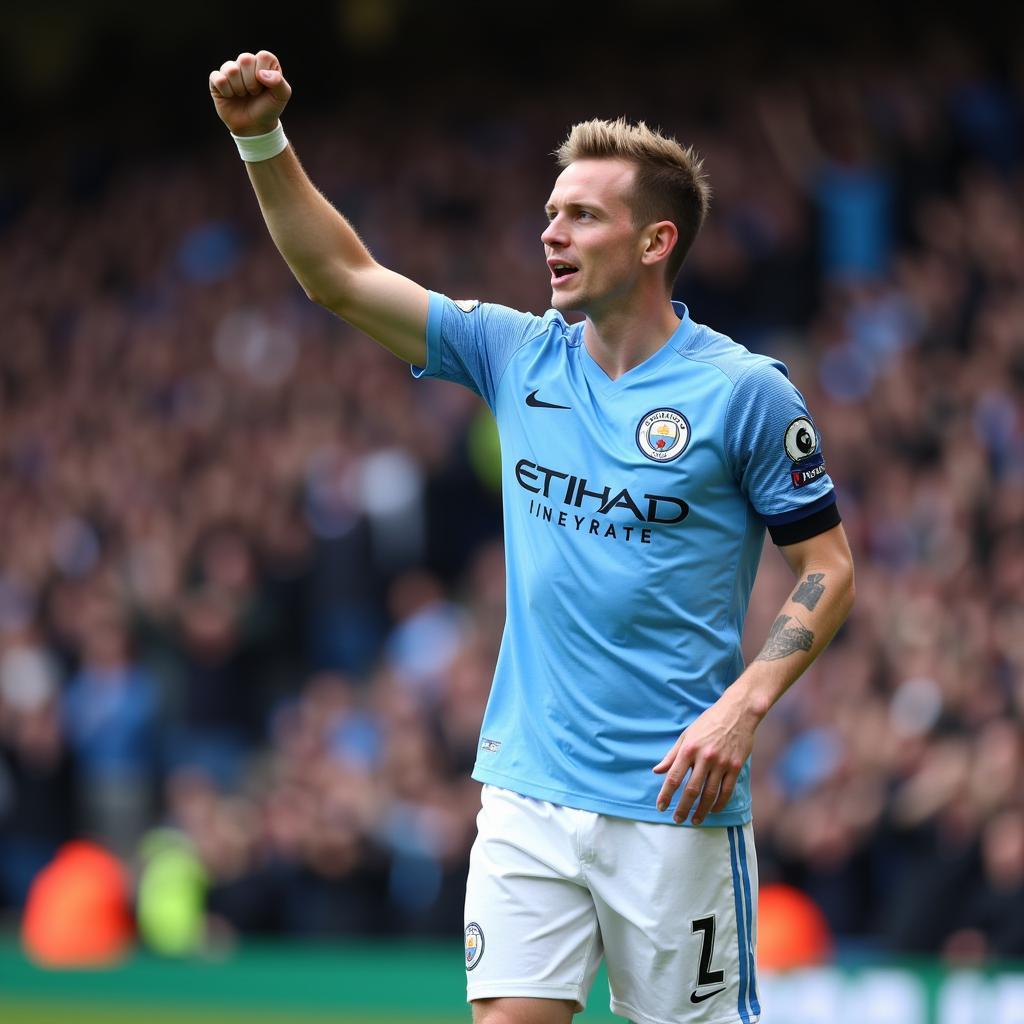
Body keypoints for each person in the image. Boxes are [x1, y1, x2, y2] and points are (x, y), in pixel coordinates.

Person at [209, 50, 855, 1024]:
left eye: (581, 214)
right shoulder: (514, 352)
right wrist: (260, 137)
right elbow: (339, 276)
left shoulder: (744, 393)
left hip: (671, 804)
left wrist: (743, 707)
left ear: (653, 241)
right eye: (551, 211)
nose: (549, 229)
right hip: (527, 791)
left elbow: (828, 568)